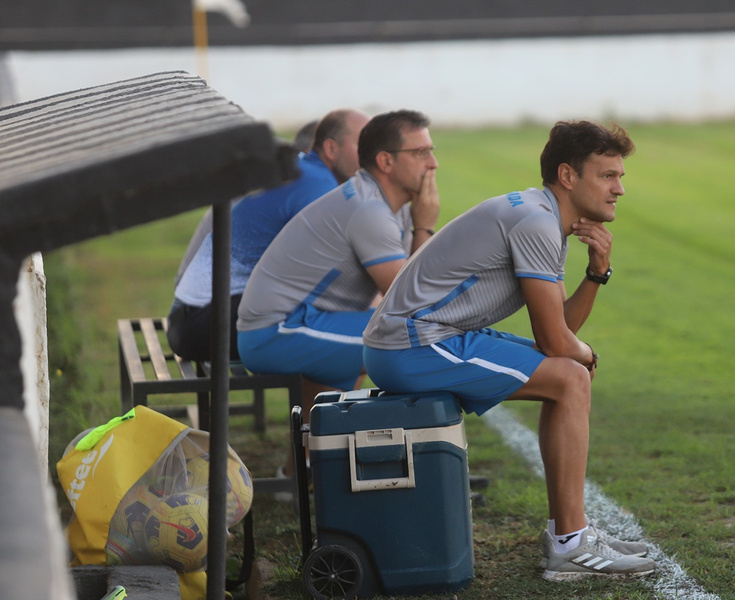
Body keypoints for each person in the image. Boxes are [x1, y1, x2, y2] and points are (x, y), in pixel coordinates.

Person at [362, 121, 657, 580]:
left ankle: (570, 535)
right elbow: (557, 343)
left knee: (570, 375)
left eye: (620, 176)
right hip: (411, 345)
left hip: (420, 339)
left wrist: (597, 272)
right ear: (567, 176)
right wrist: (585, 353)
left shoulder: (543, 216)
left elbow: (559, 331)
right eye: (607, 176)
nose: (619, 188)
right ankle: (571, 543)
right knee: (571, 375)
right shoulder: (537, 222)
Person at [236, 109, 440, 425]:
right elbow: (413, 302)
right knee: (416, 341)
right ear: (386, 162)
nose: (433, 163)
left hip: (308, 320)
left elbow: (410, 289)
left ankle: (306, 469)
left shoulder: (388, 204)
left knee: (393, 336)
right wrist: (425, 226)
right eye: (421, 153)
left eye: (431, 151)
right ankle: (423, 442)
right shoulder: (369, 209)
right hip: (274, 331)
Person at [166, 108, 371, 362]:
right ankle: (322, 400)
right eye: (364, 145)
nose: (372, 154)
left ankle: (319, 399)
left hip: (192, 318)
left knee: (342, 320)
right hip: (204, 323)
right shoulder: (319, 186)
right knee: (377, 332)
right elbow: (344, 271)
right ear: (330, 149)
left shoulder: (301, 172)